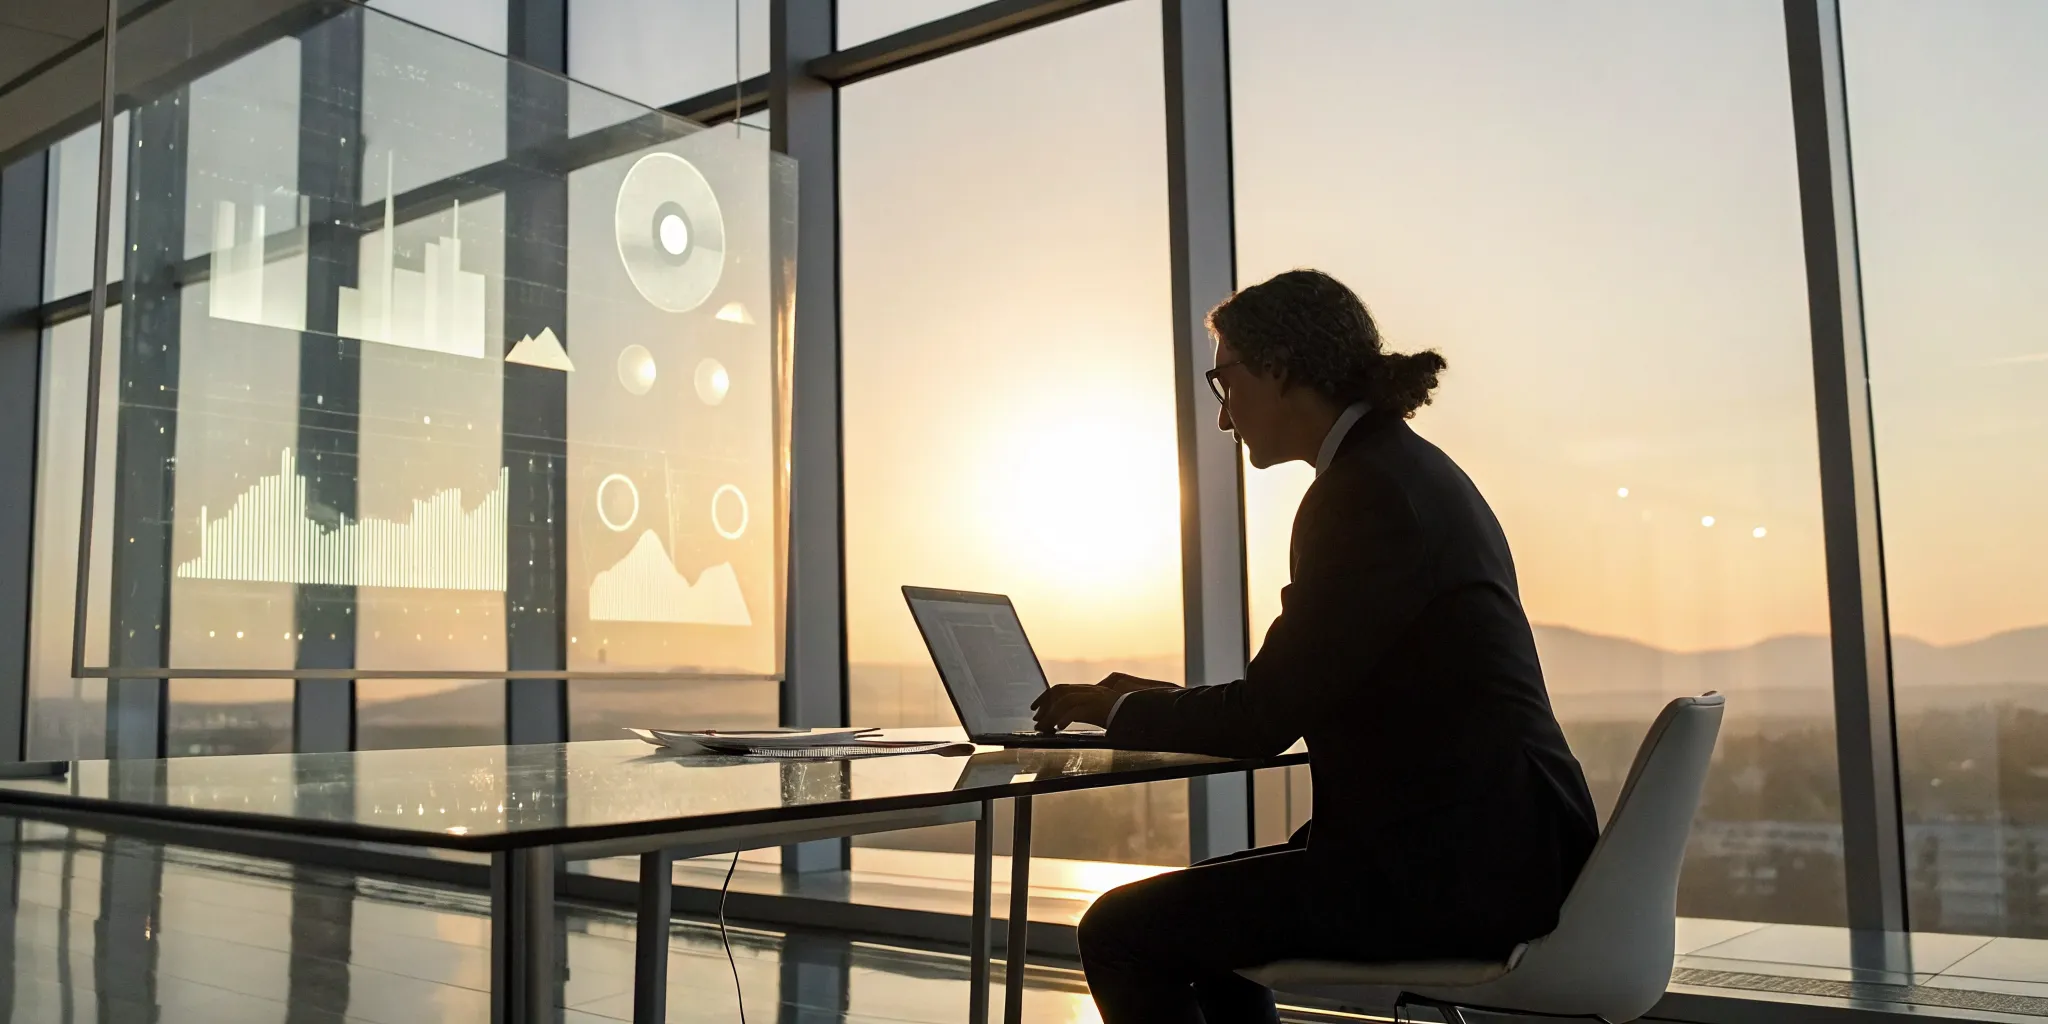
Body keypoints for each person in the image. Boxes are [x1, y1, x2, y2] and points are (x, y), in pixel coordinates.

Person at [1030, 269, 1599, 1024]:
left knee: (1120, 931)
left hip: (1457, 870)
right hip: (1495, 846)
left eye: (1223, 380)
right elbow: (1302, 687)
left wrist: (1121, 711)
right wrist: (1151, 703)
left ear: (1280, 366)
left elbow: (1262, 721)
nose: (1225, 418)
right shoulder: (1405, 471)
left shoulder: (1364, 495)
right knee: (1202, 924)